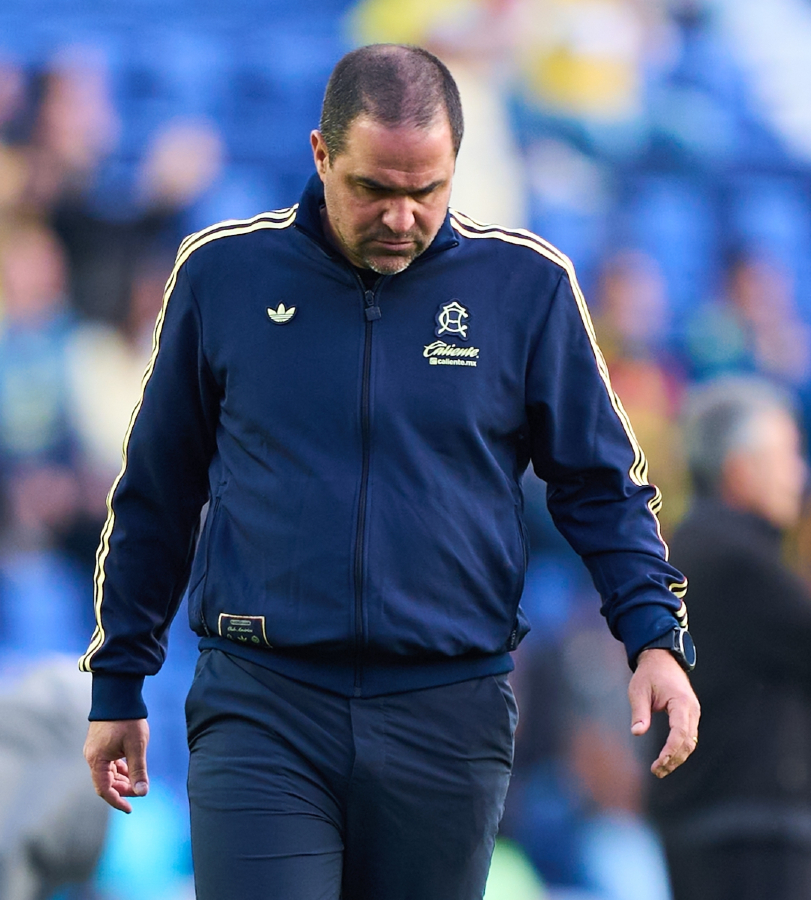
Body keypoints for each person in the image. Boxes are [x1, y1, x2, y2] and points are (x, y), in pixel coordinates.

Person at [79, 44, 699, 899]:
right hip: (265, 706)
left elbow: (600, 488)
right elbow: (157, 490)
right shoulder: (223, 277)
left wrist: (654, 637)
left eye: (427, 191)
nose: (403, 217)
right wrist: (121, 679)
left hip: (448, 713)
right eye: (374, 188)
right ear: (321, 155)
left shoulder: (527, 289)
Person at [649, 378, 811, 900]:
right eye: (788, 456)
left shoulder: (702, 550)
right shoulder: (729, 558)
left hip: (731, 827)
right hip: (749, 835)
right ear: (739, 470)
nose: (801, 476)